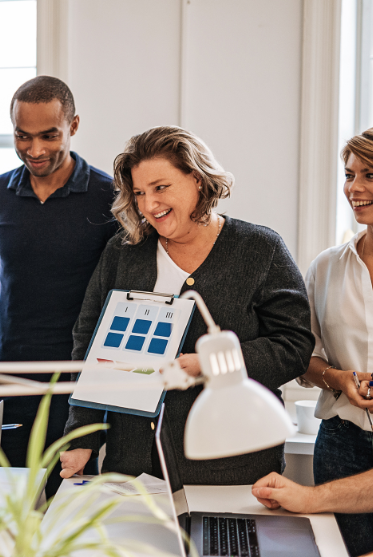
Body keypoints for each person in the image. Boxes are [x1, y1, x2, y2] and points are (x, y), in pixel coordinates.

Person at [60, 125, 314, 486]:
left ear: (196, 179)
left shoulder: (260, 249)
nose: (149, 205)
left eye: (161, 188)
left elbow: (295, 347)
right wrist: (82, 434)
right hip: (132, 463)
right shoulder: (124, 251)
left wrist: (210, 364)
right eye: (139, 193)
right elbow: (89, 343)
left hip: (229, 467)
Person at [0, 75, 117, 496]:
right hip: (9, 374)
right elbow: (9, 278)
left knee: (61, 509)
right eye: (22, 136)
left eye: (48, 136)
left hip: (75, 382)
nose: (34, 150)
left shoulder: (108, 197)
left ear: (73, 126)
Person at [291, 128, 373, 556]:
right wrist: (340, 378)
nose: (354, 188)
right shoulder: (325, 267)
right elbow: (302, 357)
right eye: (349, 174)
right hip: (343, 443)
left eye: (369, 175)